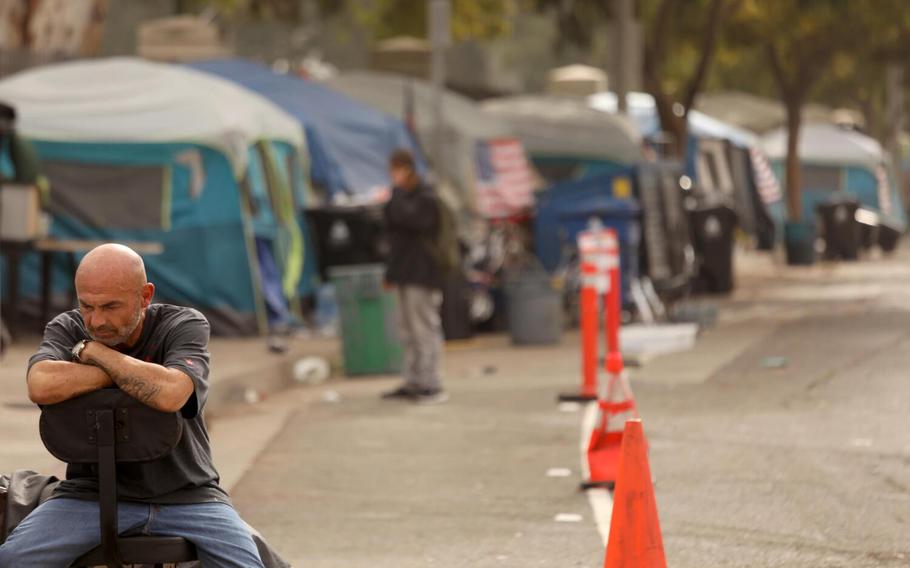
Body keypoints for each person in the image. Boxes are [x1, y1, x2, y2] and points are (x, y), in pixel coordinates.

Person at [0, 244, 266, 567]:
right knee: (14, 558)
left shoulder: (182, 325)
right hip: (89, 495)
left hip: (187, 495)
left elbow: (172, 393)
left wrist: (95, 354)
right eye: (87, 306)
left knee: (247, 563)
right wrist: (124, 376)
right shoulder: (67, 327)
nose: (97, 321)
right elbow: (39, 384)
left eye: (111, 306)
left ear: (145, 296)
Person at [381, 149, 448, 404]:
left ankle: (431, 383)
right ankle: (413, 380)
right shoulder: (402, 197)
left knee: (424, 329)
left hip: (423, 274)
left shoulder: (426, 197)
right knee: (406, 331)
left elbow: (410, 220)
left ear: (407, 169)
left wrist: (397, 193)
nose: (392, 176)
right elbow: (393, 232)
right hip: (403, 274)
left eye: (396, 170)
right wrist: (391, 274)